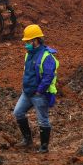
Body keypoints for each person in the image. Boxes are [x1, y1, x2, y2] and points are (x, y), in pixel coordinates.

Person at [13, 24, 59, 153]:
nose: (26, 44)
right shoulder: (28, 54)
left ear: (36, 40)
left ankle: (44, 147)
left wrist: (40, 90)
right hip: (27, 92)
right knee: (18, 112)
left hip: (39, 94)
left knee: (43, 121)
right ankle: (27, 140)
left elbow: (48, 76)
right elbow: (27, 72)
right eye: (26, 41)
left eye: (28, 41)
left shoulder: (46, 56)